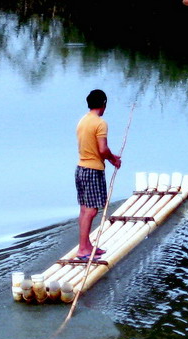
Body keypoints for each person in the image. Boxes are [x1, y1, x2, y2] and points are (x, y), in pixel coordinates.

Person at [75, 89, 121, 260]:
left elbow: (94, 147)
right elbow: (102, 149)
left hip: (81, 169)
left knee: (84, 209)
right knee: (91, 211)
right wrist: (113, 160)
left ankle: (87, 245)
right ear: (104, 104)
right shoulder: (100, 123)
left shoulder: (83, 120)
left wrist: (110, 156)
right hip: (93, 170)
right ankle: (82, 250)